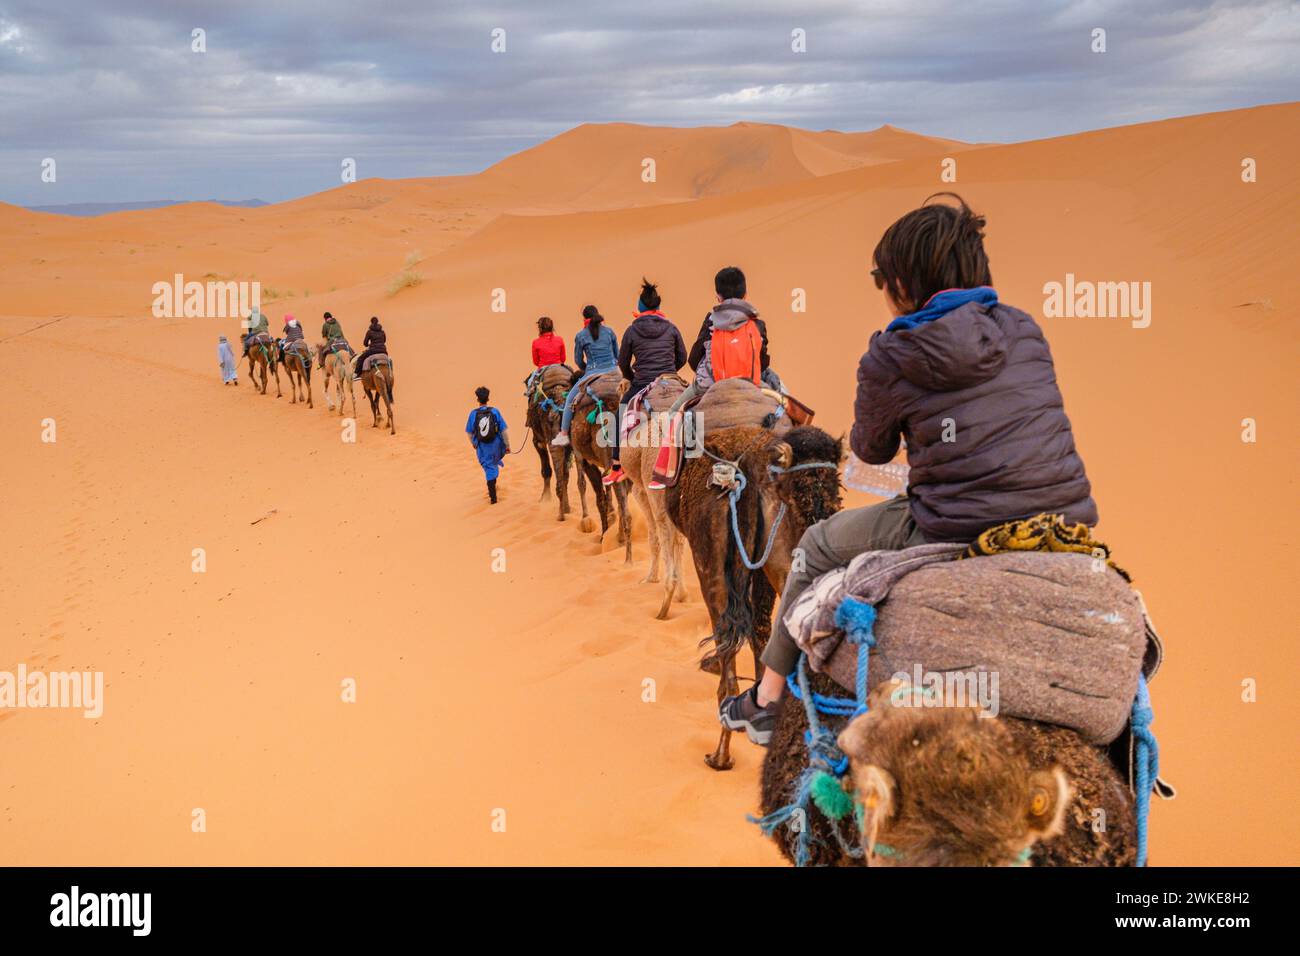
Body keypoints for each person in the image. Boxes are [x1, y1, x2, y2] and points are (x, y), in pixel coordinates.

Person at [719, 193, 1100, 745]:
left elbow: (870, 450)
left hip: (951, 524)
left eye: (882, 278)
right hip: (1061, 523)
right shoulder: (1025, 328)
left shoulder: (892, 352)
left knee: (815, 547)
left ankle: (766, 698)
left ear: (904, 281)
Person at [606, 279, 686, 485]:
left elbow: (622, 362)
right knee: (695, 409)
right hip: (670, 382)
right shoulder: (672, 328)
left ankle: (616, 465)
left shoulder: (632, 330)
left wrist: (634, 379)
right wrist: (669, 372)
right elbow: (683, 357)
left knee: (620, 414)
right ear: (658, 306)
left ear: (640, 307)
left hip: (642, 383)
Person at [550, 305, 619, 447]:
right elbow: (617, 355)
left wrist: (586, 369)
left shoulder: (581, 335)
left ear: (585, 319)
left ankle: (563, 434)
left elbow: (577, 359)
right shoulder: (610, 331)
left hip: (593, 373)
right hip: (614, 371)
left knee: (570, 400)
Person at [466, 386, 509, 504]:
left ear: (477, 399)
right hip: (495, 445)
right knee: (492, 466)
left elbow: (469, 432)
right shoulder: (495, 411)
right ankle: (493, 492)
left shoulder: (473, 414)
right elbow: (504, 430)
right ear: (488, 398)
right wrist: (507, 445)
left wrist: (474, 443)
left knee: (488, 468)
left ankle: (493, 498)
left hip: (482, 447)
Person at [352, 317, 391, 395]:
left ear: (371, 322)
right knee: (389, 360)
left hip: (373, 350)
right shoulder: (382, 332)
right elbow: (384, 341)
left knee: (360, 358)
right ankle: (390, 373)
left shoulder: (369, 332)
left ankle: (357, 374)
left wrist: (370, 344)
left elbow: (365, 343)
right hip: (383, 350)